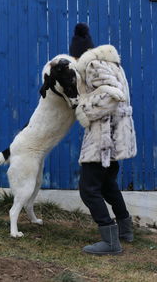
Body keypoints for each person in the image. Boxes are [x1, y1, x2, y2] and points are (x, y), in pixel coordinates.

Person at [70, 23, 137, 255]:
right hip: (115, 135)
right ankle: (125, 230)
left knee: (88, 189)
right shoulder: (111, 63)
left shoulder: (91, 66)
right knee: (108, 185)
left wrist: (83, 110)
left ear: (77, 54)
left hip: (103, 139)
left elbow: (111, 98)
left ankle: (110, 240)